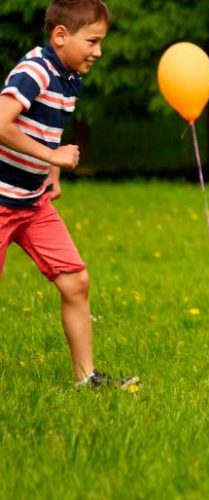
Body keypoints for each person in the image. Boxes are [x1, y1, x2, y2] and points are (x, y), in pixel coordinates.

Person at [0, 0, 136, 389]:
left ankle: (86, 378)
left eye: (101, 42)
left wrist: (51, 171)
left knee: (76, 282)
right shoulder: (34, 71)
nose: (99, 52)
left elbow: (50, 127)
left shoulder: (69, 76)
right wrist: (51, 156)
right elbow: (2, 122)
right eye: (92, 41)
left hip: (32, 202)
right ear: (61, 36)